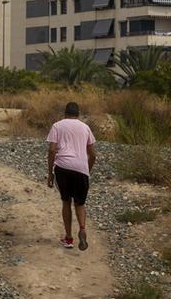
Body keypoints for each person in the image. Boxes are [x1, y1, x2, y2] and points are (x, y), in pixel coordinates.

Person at [46, 102, 96, 250]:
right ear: (78, 114)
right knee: (80, 203)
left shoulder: (57, 126)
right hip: (81, 169)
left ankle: (68, 238)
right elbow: (93, 154)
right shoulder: (85, 127)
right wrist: (87, 169)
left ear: (65, 113)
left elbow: (52, 150)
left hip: (63, 167)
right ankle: (82, 229)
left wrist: (50, 172)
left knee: (66, 201)